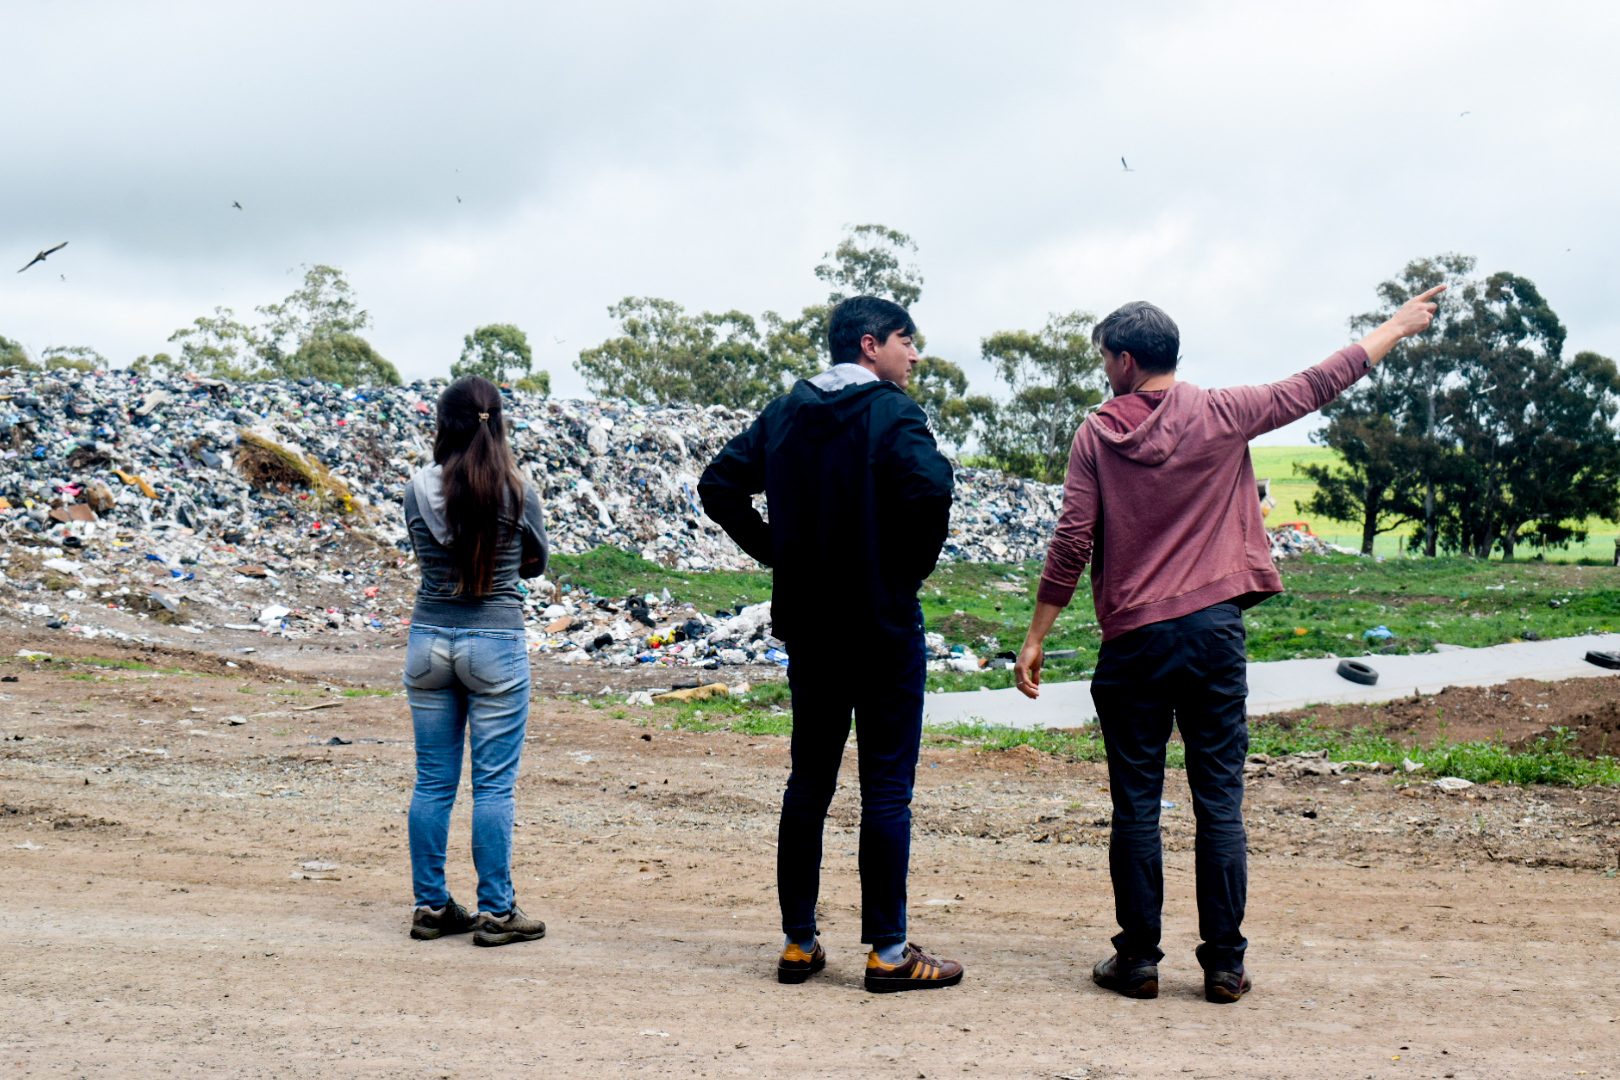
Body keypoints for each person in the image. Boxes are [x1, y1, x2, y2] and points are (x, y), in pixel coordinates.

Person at [1013, 288, 1444, 1003]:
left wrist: (1036, 637)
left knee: (1137, 804)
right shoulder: (1222, 413)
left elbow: (1072, 540)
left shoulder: (1096, 437)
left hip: (1134, 643)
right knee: (1218, 801)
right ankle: (1223, 964)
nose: (1103, 372)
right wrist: (1396, 327)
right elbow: (1318, 382)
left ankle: (1140, 961)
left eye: (1104, 360)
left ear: (1124, 360)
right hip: (1213, 634)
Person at [699, 295, 963, 993]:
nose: (914, 354)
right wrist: (907, 567)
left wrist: (782, 554)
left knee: (809, 782)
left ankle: (798, 944)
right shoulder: (892, 411)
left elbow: (719, 484)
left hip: (810, 628)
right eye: (908, 341)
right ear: (872, 345)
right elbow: (933, 489)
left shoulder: (787, 412)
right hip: (880, 626)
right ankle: (888, 953)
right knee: (885, 789)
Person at [402, 374, 550, 947]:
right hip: (496, 643)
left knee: (434, 781)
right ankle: (497, 912)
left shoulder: (417, 488)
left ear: (445, 425)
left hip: (428, 641)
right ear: (499, 423)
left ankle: (431, 906)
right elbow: (534, 564)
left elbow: (423, 551)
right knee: (493, 787)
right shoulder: (519, 490)